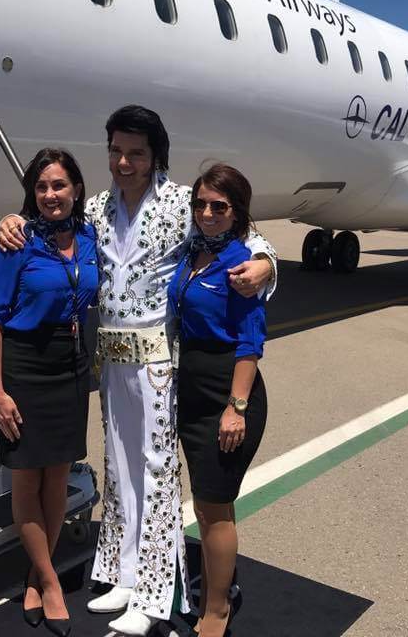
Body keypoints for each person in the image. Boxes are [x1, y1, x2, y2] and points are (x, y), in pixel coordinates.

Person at [0, 105, 276, 636]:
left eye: (136, 153)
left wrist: (267, 260)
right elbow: (45, 223)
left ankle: (155, 592)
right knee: (120, 468)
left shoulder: (177, 204)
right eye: (117, 151)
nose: (124, 161)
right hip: (111, 360)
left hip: (159, 364)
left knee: (157, 472)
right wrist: (10, 221)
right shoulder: (96, 209)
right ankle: (124, 574)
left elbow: (232, 235)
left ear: (154, 156)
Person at [0, 148, 99, 637]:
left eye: (60, 185)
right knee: (27, 483)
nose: (51, 195)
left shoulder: (90, 236)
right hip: (25, 366)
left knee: (56, 480)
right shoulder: (17, 242)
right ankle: (50, 584)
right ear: (33, 194)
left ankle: (36, 573)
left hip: (70, 368)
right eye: (42, 187)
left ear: (76, 190)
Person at [168, 164, 267, 637]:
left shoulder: (239, 265)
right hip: (191, 388)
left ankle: (217, 607)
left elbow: (250, 343)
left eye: (219, 206)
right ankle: (215, 584)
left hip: (228, 392)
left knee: (214, 503)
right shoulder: (191, 255)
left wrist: (237, 408)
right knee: (205, 505)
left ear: (237, 213)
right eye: (200, 204)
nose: (207, 213)